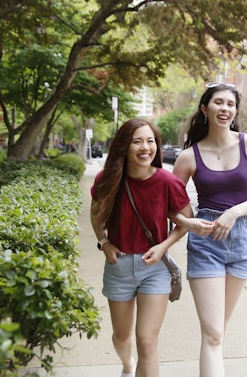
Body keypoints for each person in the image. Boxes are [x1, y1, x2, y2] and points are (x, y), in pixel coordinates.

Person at [90, 118, 212, 377]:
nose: (145, 148)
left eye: (150, 141)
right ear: (125, 146)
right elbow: (97, 214)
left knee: (147, 342)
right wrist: (104, 242)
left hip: (155, 268)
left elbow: (184, 223)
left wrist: (163, 246)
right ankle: (127, 365)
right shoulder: (108, 178)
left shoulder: (167, 182)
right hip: (119, 265)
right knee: (121, 337)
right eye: (137, 141)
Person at [171, 82, 247, 377]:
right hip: (206, 244)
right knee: (214, 334)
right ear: (205, 109)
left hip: (241, 240)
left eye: (230, 104)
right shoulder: (189, 156)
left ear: (235, 110)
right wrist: (190, 223)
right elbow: (170, 204)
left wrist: (234, 212)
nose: (225, 109)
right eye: (218, 103)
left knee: (217, 334)